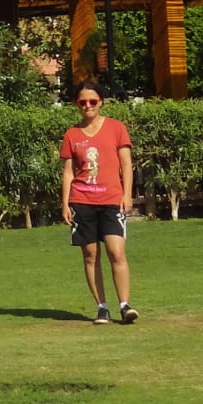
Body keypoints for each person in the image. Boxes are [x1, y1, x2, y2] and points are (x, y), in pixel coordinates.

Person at [59, 87, 136, 325]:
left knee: (116, 252)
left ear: (101, 102)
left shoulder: (116, 128)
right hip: (82, 201)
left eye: (92, 101)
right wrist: (65, 204)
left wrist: (127, 194)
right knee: (90, 255)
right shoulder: (72, 134)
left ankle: (125, 305)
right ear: (77, 104)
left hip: (111, 200)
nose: (88, 106)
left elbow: (126, 164)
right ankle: (102, 307)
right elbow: (69, 172)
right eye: (82, 102)